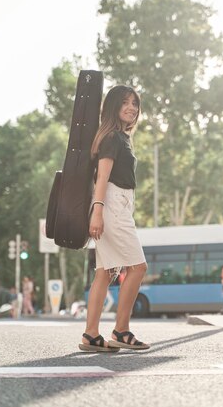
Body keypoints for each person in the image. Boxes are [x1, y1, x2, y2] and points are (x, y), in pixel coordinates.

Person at [79, 85, 150, 352]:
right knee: (138, 267)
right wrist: (97, 210)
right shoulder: (113, 138)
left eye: (135, 103)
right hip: (112, 205)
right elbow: (102, 176)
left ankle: (91, 335)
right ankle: (121, 330)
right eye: (125, 103)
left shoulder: (117, 137)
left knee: (106, 271)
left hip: (115, 204)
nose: (131, 107)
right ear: (113, 106)